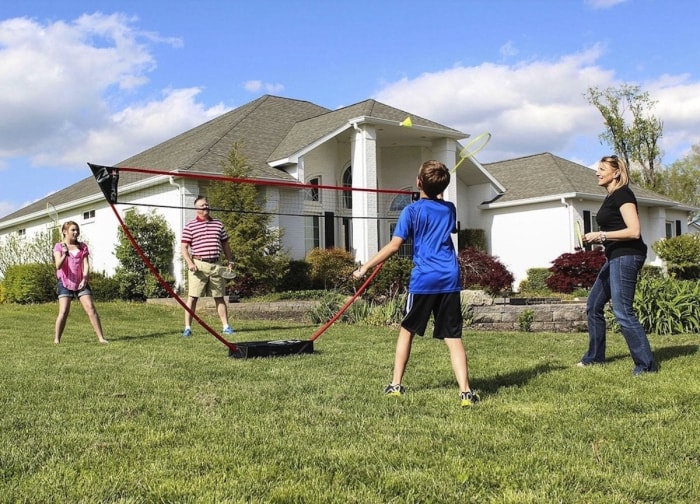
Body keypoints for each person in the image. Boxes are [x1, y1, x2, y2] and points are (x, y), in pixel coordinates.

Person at [353, 160, 479, 407]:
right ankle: (465, 392)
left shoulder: (411, 211)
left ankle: (396, 385)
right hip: (449, 279)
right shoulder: (450, 208)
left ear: (418, 182)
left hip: (424, 280)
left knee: (406, 332)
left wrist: (364, 268)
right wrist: (439, 195)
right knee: (453, 338)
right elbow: (447, 223)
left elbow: (394, 245)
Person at [578, 155, 657, 375]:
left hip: (627, 255)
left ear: (617, 172)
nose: (597, 172)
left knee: (623, 311)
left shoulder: (623, 194)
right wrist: (595, 238)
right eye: (597, 169)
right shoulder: (611, 197)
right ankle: (594, 357)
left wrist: (601, 236)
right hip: (614, 257)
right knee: (593, 305)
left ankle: (646, 365)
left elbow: (634, 231)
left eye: (602, 169)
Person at [180, 196, 235, 337]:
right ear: (197, 209)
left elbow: (225, 244)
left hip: (216, 265)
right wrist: (190, 263)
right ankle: (187, 328)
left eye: (207, 205)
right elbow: (184, 248)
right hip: (198, 265)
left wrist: (230, 261)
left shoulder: (218, 224)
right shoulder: (190, 226)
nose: (206, 207)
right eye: (203, 205)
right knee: (192, 297)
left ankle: (226, 327)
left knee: (219, 296)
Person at [54, 221, 108, 344]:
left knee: (90, 308)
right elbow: (58, 265)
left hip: (81, 282)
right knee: (63, 311)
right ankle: (57, 340)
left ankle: (101, 338)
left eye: (77, 230)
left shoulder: (82, 246)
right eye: (73, 230)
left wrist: (85, 279)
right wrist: (65, 254)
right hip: (65, 282)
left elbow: (86, 264)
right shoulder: (59, 247)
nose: (76, 232)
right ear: (64, 232)